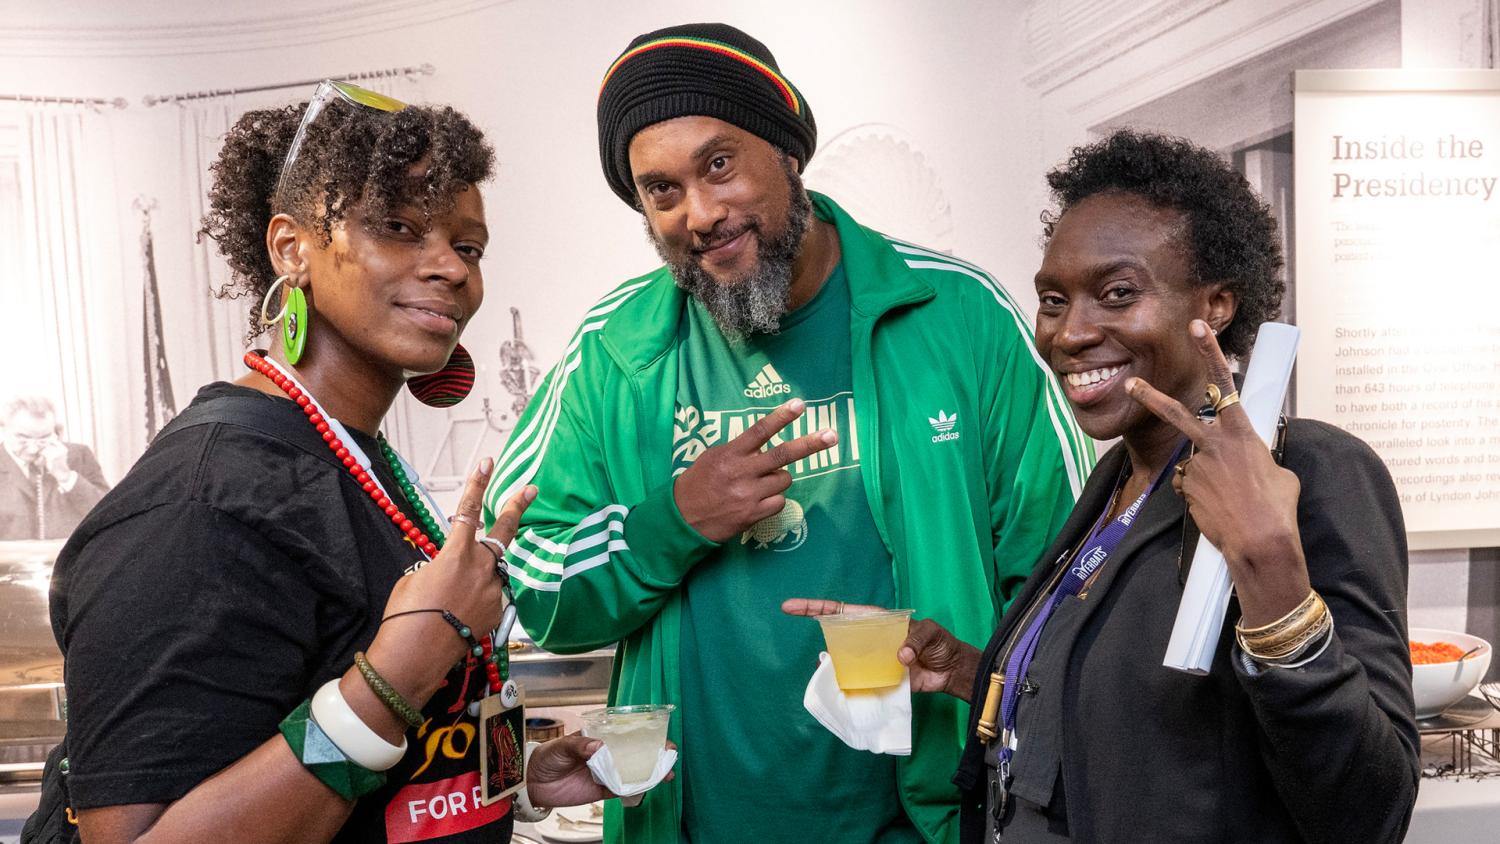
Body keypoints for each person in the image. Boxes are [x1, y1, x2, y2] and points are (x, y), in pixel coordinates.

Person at [482, 22, 1091, 844]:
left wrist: (979, 682)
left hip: (932, 821)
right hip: (691, 825)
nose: (699, 211)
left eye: (720, 163)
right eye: (661, 191)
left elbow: (1063, 574)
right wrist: (674, 521)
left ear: (789, 151)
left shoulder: (958, 315)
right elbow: (528, 575)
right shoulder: (612, 353)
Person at [24, 81, 665, 844]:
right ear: (292, 248)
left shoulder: (353, 455)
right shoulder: (200, 502)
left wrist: (505, 782)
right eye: (397, 226)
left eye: (467, 246)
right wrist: (395, 679)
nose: (451, 269)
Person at [790, 129, 1419, 842]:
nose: (1070, 333)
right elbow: (1136, 721)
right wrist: (977, 669)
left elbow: (1371, 811)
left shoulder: (1308, 470)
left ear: (1215, 305)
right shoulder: (1117, 477)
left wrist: (1271, 572)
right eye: (1054, 300)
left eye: (1117, 294)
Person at [0, 395, 110, 541]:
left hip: (69, 560)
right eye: (23, 438)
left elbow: (108, 514)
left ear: (56, 432)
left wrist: (65, 476)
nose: (33, 449)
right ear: (3, 429)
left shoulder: (78, 455)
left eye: (43, 438)